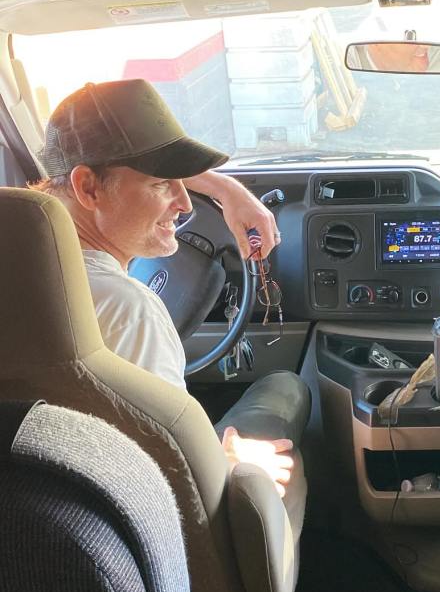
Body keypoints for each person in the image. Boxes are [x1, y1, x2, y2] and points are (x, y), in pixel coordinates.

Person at [31, 78, 309, 503]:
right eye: (162, 184)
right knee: (287, 388)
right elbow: (169, 481)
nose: (184, 204)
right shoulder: (129, 311)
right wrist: (227, 461)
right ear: (87, 187)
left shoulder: (21, 262)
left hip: (39, 496)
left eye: (182, 181)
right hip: (146, 524)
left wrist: (223, 188)